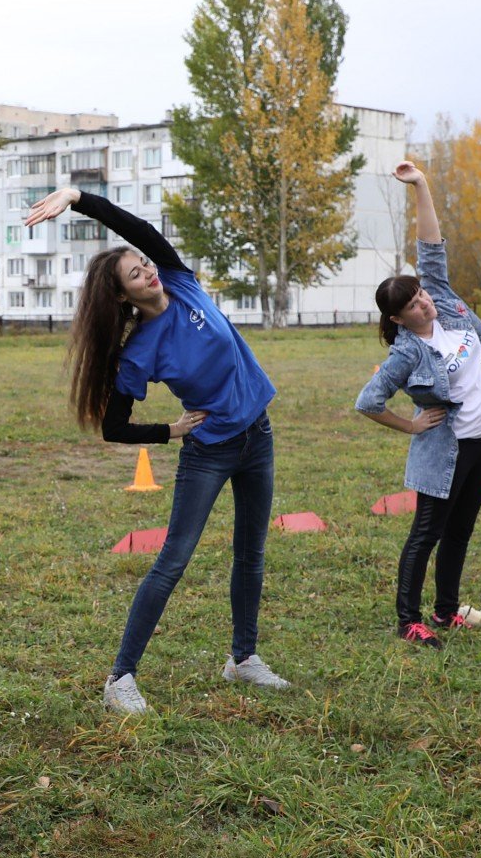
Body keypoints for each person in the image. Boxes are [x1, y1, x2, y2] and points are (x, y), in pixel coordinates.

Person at [24, 185, 288, 715]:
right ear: (123, 296)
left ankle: (242, 658)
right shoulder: (138, 351)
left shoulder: (181, 282)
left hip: (257, 436)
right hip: (209, 452)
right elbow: (113, 427)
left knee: (251, 554)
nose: (145, 268)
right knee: (172, 562)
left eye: (144, 263)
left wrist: (78, 197)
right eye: (133, 273)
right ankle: (120, 679)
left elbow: (137, 230)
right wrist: (169, 431)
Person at [354, 161, 481, 650]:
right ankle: (408, 619)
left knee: (460, 532)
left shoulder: (443, 300)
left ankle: (444, 611)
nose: (424, 302)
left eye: (421, 293)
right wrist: (413, 426)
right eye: (414, 303)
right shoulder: (406, 352)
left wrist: (420, 185)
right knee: (427, 534)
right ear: (398, 317)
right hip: (446, 452)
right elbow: (368, 401)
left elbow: (431, 244)